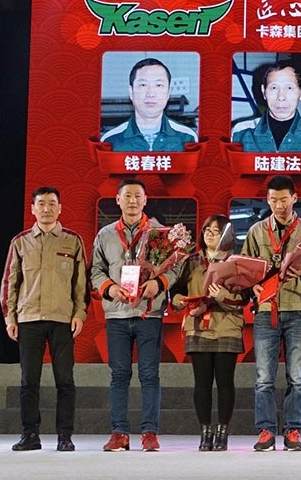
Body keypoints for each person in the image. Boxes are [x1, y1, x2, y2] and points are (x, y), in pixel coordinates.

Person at [90, 178, 181, 452]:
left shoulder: (159, 233)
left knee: (150, 375)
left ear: (145, 200)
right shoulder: (105, 234)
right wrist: (109, 288)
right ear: (117, 200)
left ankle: (149, 432)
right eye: (127, 196)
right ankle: (119, 432)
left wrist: (159, 283)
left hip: (148, 314)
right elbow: (95, 271)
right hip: (117, 315)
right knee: (119, 375)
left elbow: (175, 267)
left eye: (137, 196)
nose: (132, 201)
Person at [242, 175, 301, 451]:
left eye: (284, 199)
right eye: (273, 200)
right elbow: (244, 268)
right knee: (263, 377)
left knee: (297, 376)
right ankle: (266, 431)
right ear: (267, 200)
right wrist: (253, 286)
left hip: (298, 308)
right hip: (265, 310)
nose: (279, 205)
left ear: (295, 198)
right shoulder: (256, 231)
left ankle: (293, 430)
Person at [1, 187, 88, 452]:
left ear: (60, 208)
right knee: (29, 381)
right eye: (41, 203)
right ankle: (30, 435)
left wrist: (79, 313)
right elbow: (10, 282)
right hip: (28, 319)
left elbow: (81, 284)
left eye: (52, 203)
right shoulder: (20, 241)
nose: (47, 208)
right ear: (33, 209)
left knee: (65, 381)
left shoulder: (72, 240)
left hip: (62, 320)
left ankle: (65, 436)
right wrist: (10, 317)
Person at [171, 215, 245, 452]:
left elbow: (244, 297)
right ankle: (205, 433)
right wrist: (182, 302)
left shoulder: (236, 262)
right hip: (198, 327)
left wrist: (221, 295)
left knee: (225, 382)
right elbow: (176, 290)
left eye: (216, 230)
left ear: (227, 235)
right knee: (201, 384)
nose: (210, 234)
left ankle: (222, 432)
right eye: (207, 230)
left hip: (227, 327)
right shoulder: (191, 261)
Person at [231, 60, 301, 152]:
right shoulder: (240, 134)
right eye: (274, 88)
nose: (281, 97)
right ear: (264, 92)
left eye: (289, 88)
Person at [101, 58, 198, 152]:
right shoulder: (111, 141)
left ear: (168, 92)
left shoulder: (187, 138)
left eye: (158, 85)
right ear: (131, 92)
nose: (151, 93)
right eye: (143, 85)